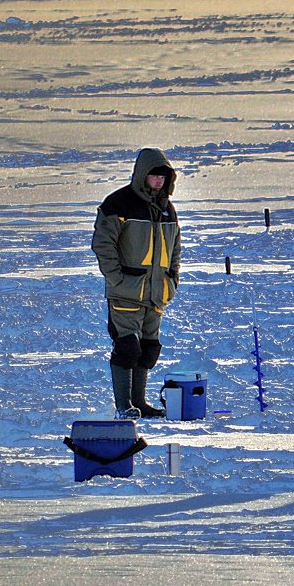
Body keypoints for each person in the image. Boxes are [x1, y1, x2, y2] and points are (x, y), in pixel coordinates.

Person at [91, 148, 182, 419]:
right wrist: (116, 278)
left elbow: (175, 247)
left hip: (156, 292)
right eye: (154, 176)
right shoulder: (119, 203)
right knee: (127, 346)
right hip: (126, 291)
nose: (158, 181)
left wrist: (172, 278)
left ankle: (139, 403)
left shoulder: (167, 210)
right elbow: (102, 243)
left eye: (163, 177)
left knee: (148, 348)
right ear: (143, 175)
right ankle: (123, 406)